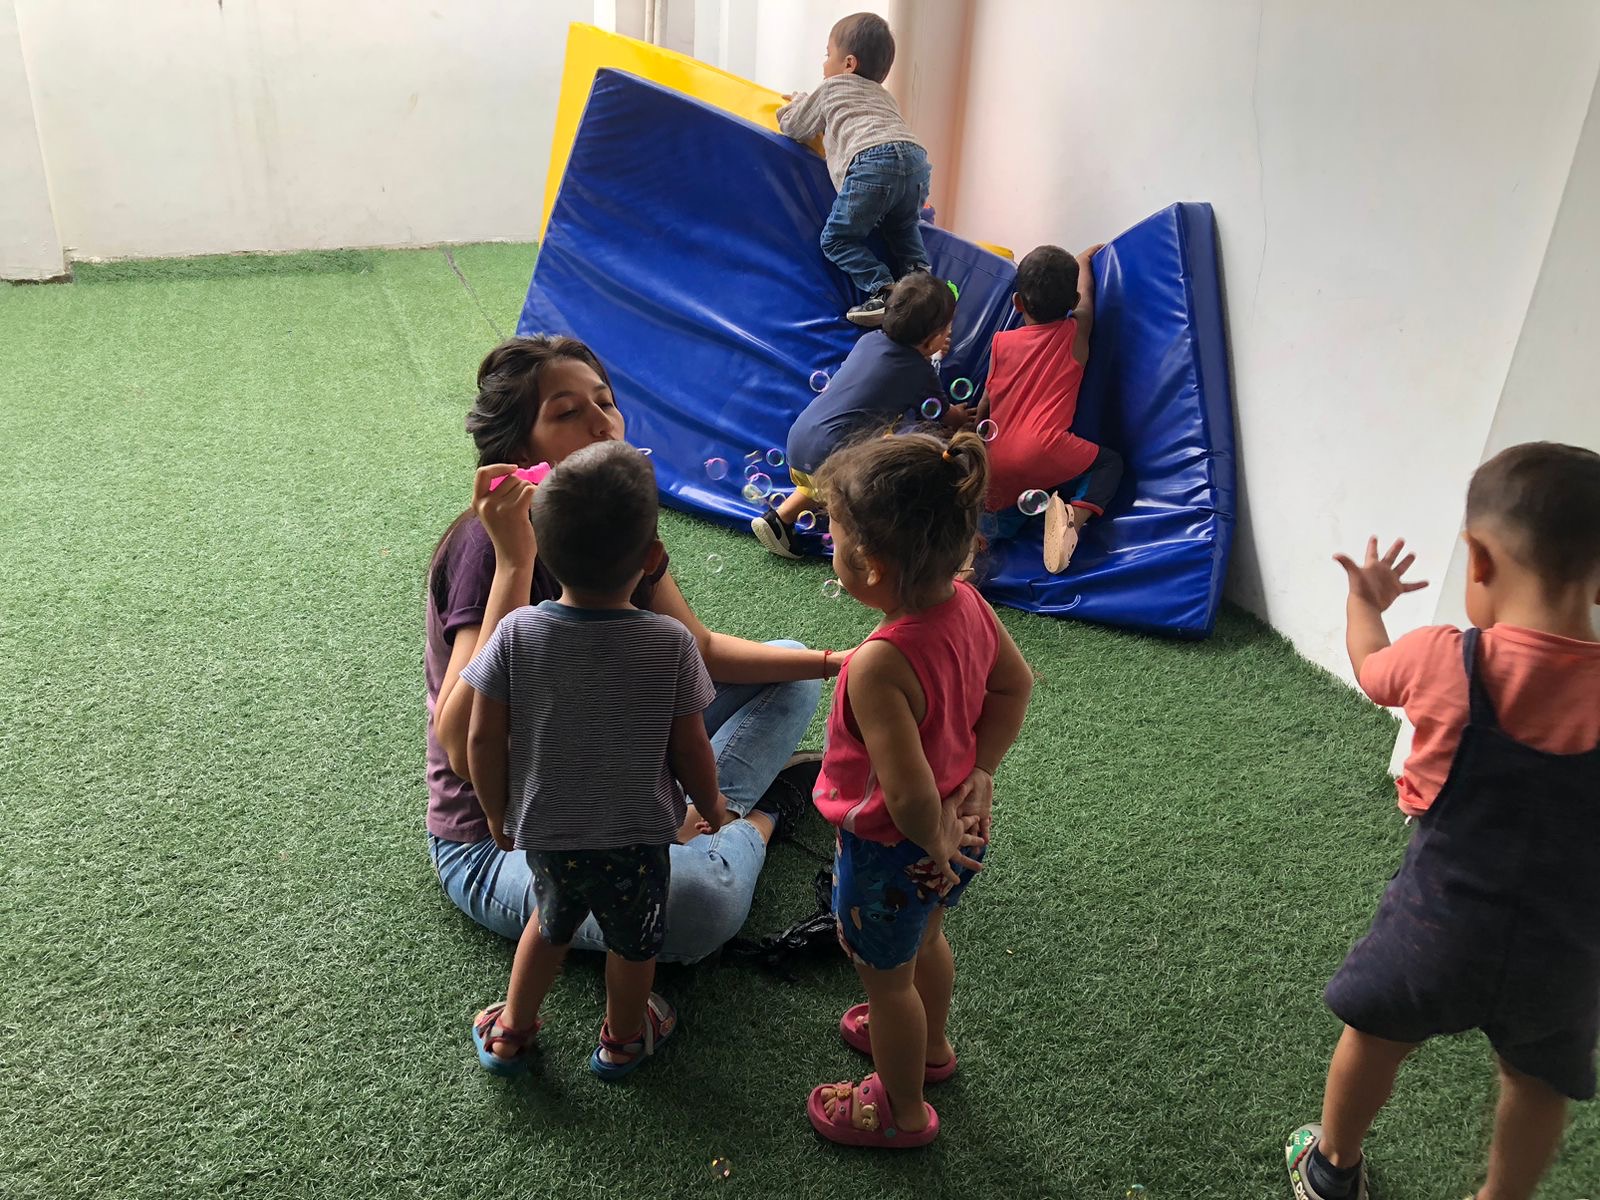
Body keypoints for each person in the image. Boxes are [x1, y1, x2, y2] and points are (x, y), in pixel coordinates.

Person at [426, 335, 832, 966]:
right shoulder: (487, 549)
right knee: (699, 904)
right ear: (520, 452)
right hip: (510, 834)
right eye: (567, 413)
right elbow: (460, 745)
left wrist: (836, 662)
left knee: (793, 668)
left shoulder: (616, 517)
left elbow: (700, 650)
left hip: (612, 774)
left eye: (605, 401)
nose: (603, 423)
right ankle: (763, 815)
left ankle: (693, 823)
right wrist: (515, 562)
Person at [1287, 442, 1600, 1200]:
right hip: (1563, 950)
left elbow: (1371, 670)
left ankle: (1333, 1166)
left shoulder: (1441, 658)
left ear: (1479, 561)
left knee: (1374, 1039)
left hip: (1437, 927)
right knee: (1537, 1082)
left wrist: (1366, 603)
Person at [465, 443, 731, 1078]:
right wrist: (711, 804)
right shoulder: (669, 643)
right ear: (653, 560)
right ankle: (622, 1040)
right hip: (637, 838)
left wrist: (496, 812)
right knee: (634, 942)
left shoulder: (515, 633)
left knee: (548, 923)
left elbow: (481, 738)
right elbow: (690, 745)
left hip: (548, 832)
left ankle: (511, 1032)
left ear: (543, 552)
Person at [801, 430, 1034, 1148]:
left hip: (896, 851)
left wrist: (932, 839)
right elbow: (1015, 686)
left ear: (870, 564)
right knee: (928, 938)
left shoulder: (877, 665)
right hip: (959, 833)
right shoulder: (968, 603)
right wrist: (982, 773)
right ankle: (931, 1048)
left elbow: (904, 798)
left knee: (888, 985)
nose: (830, 545)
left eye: (834, 535)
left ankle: (901, 1110)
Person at [752, 272, 969, 559]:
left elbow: (891, 370)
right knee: (859, 498)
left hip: (800, 440)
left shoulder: (869, 340)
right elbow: (943, 414)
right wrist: (961, 416)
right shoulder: (921, 372)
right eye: (946, 331)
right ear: (930, 340)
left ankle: (780, 519)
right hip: (835, 458)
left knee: (818, 483)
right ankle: (852, 557)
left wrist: (929, 351)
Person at [777, 12, 930, 327]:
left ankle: (883, 290)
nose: (824, 64)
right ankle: (922, 283)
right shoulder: (886, 98)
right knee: (902, 227)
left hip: (873, 162)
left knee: (836, 239)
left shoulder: (832, 87)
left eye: (827, 55)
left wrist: (796, 102)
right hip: (916, 160)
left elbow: (795, 127)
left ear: (848, 63)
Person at [977, 244, 1122, 573]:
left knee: (1004, 511)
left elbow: (986, 401)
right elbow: (1086, 299)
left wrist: (978, 439)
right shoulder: (1075, 333)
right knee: (1110, 463)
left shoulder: (1002, 342)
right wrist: (1084, 260)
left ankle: (975, 548)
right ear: (1072, 303)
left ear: (1017, 303)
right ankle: (1073, 517)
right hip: (1046, 448)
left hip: (996, 455)